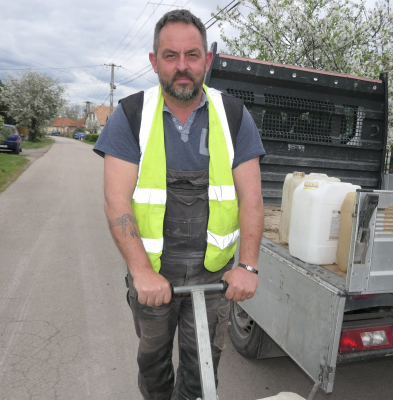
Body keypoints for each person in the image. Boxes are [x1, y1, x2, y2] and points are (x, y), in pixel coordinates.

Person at [93, 9, 265, 400]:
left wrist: (248, 266)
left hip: (215, 275)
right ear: (155, 62)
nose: (182, 66)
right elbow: (116, 201)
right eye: (170, 56)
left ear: (207, 59)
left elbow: (251, 198)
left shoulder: (235, 116)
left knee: (202, 365)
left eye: (192, 55)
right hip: (155, 274)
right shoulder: (130, 116)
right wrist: (141, 272)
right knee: (153, 362)